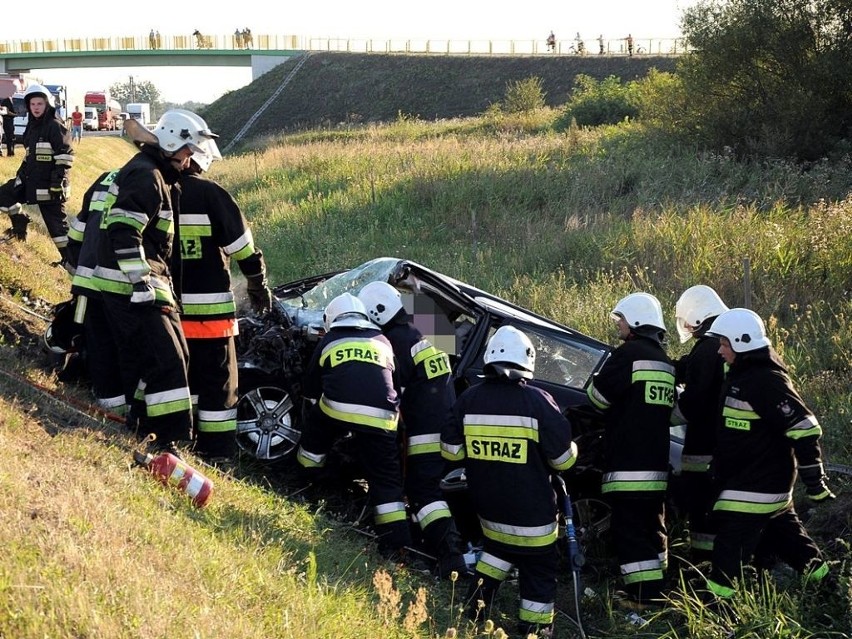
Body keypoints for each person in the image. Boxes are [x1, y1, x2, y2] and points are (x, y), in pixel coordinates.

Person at [441, 325, 578, 637]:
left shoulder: (469, 400)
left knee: (496, 551)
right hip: (533, 517)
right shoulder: (538, 401)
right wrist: (572, 447)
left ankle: (474, 609)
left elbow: (450, 452)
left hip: (489, 510)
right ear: (527, 361)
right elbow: (564, 461)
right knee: (538, 572)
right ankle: (535, 628)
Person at [92, 110, 215, 454]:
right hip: (134, 288)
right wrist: (141, 281)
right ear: (173, 142)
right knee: (169, 360)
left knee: (147, 359)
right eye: (188, 150)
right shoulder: (146, 177)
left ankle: (143, 423)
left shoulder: (154, 174)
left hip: (132, 286)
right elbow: (123, 230)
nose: (190, 158)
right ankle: (166, 440)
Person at [703, 308, 834, 601]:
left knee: (727, 554)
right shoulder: (743, 376)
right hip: (762, 487)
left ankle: (716, 612)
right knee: (795, 546)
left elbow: (803, 427)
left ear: (741, 343)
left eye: (724, 344)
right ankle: (831, 591)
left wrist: (815, 482)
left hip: (753, 490)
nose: (720, 351)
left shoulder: (764, 380)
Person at [175, 123, 272, 461]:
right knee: (218, 386)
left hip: (167, 313)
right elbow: (243, 249)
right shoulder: (211, 194)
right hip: (210, 316)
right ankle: (216, 453)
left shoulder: (155, 189)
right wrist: (257, 284)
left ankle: (180, 442)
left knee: (180, 382)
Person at [358, 281, 467, 578]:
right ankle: (433, 546)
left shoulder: (394, 342)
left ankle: (451, 558)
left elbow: (390, 392)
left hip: (423, 436)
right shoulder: (425, 331)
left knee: (425, 495)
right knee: (426, 491)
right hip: (447, 428)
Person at [296, 293, 411, 558]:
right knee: (386, 479)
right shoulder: (383, 341)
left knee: (315, 434)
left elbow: (310, 388)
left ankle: (305, 484)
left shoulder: (330, 339)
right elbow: (397, 384)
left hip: (337, 409)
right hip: (383, 417)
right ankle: (395, 544)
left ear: (332, 318)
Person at [586, 292, 675, 610]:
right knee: (653, 530)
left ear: (636, 321)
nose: (618, 324)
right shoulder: (665, 363)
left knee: (630, 533)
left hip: (627, 467)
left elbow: (597, 399)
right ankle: (658, 591)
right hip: (656, 467)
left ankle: (641, 600)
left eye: (621, 318)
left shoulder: (627, 355)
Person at [672, 285, 729, 561]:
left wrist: (662, 417)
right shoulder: (727, 342)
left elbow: (694, 400)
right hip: (729, 445)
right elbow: (690, 366)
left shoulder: (708, 348)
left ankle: (703, 569)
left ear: (696, 316)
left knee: (703, 511)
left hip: (705, 449)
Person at [65, 170, 127, 415]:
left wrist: (75, 259)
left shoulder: (105, 177)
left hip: (86, 274)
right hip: (116, 283)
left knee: (91, 336)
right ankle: (114, 405)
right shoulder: (149, 181)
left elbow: (79, 228)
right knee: (112, 342)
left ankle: (91, 381)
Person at [0, 84, 73, 260]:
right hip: (30, 180)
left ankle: (73, 262)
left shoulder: (55, 126)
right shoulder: (32, 127)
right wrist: (20, 175)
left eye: (39, 104)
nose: (36, 108)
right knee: (3, 195)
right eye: (32, 104)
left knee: (57, 229)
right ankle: (20, 223)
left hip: (51, 187)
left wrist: (58, 181)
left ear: (47, 104)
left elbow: (66, 155)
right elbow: (30, 155)